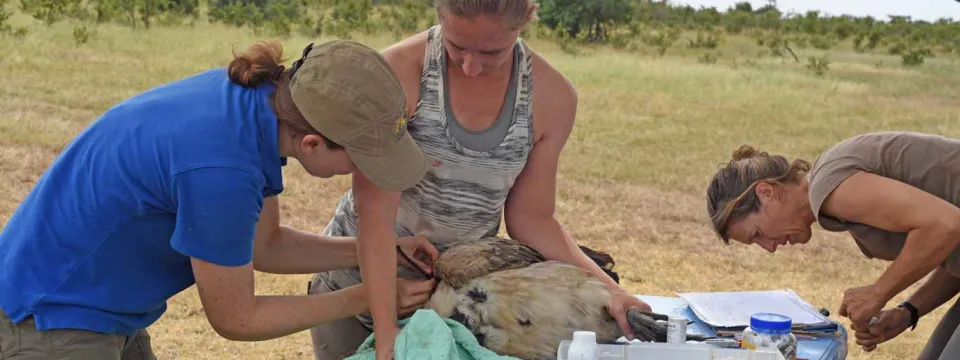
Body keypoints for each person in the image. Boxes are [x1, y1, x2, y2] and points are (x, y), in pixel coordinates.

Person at [0, 39, 440, 360]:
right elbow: (236, 318)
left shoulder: (255, 105)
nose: (363, 174)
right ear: (310, 144)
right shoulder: (224, 171)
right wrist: (366, 297)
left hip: (102, 308)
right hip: (49, 318)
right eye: (361, 159)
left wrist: (377, 253)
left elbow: (264, 246)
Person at [306, 1, 653, 359]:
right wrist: (386, 332)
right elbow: (375, 217)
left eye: (492, 52)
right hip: (357, 287)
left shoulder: (552, 98)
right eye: (456, 47)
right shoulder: (397, 73)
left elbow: (532, 218)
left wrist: (608, 289)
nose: (470, 67)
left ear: (523, 25)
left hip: (459, 303)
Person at [705, 131, 960, 360]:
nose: (769, 248)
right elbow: (950, 247)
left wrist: (878, 292)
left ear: (767, 192)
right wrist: (908, 312)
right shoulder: (833, 192)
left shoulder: (833, 187)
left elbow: (945, 225)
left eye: (758, 233)